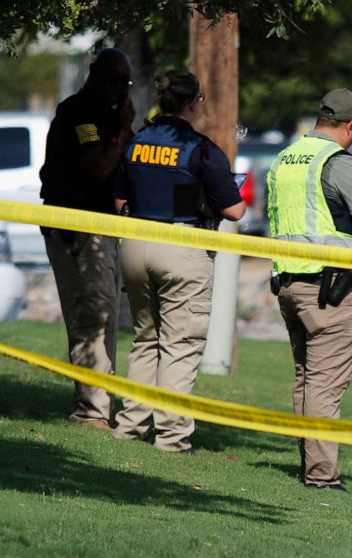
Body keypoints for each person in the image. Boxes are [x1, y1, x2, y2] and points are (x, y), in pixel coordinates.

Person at [112, 70, 245, 453]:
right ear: (192, 103)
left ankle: (131, 425)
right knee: (180, 344)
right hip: (183, 247)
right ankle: (171, 437)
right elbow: (234, 211)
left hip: (136, 245)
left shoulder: (136, 142)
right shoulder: (201, 149)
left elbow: (120, 202)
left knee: (145, 339)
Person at [267, 89, 352, 490]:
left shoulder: (286, 157)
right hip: (328, 289)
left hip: (289, 282)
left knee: (307, 378)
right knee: (326, 384)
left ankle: (309, 464)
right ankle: (321, 475)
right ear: (350, 125)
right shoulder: (337, 162)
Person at [38, 48, 135, 429]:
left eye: (125, 83)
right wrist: (124, 131)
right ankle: (90, 412)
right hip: (75, 229)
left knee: (105, 316)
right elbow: (97, 166)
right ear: (95, 75)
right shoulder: (78, 112)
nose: (120, 89)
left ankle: (99, 405)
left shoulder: (111, 115)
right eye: (114, 80)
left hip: (103, 228)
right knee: (90, 317)